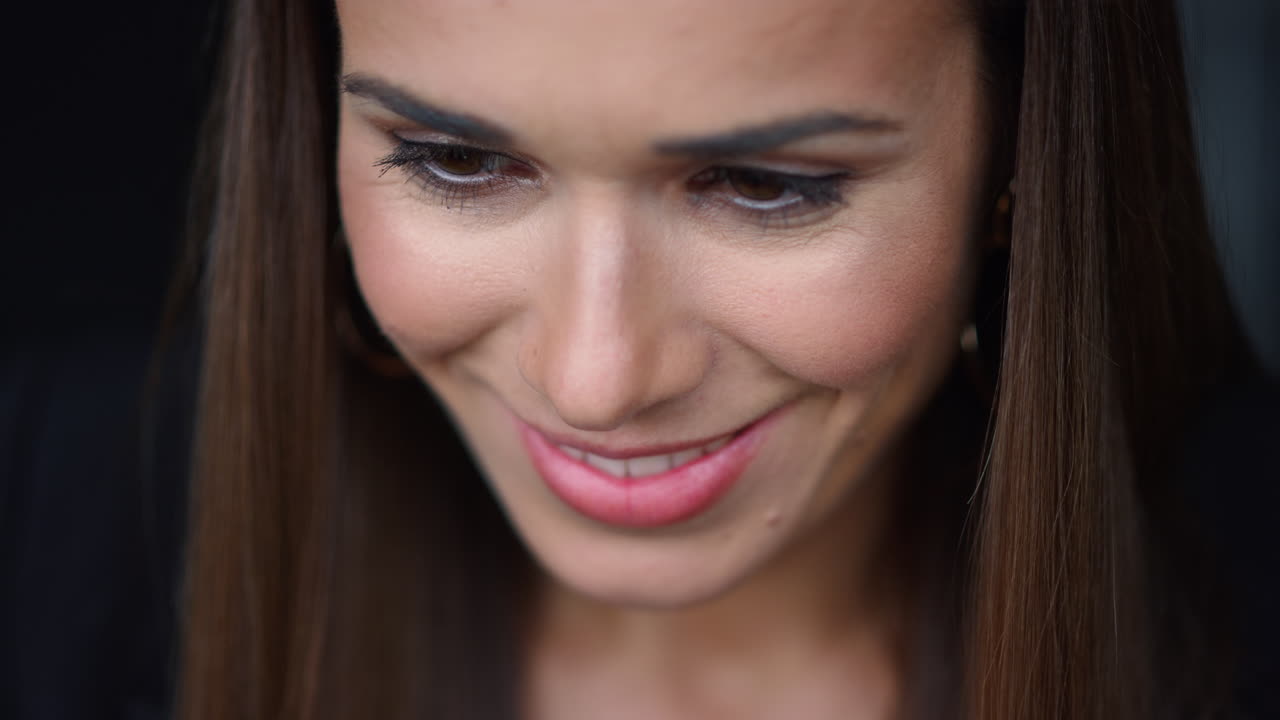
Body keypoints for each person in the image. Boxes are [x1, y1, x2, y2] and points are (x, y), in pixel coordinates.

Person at [176, 0, 1263, 718]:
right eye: (455, 161)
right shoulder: (42, 543)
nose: (592, 382)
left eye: (764, 184)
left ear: (1012, 164)